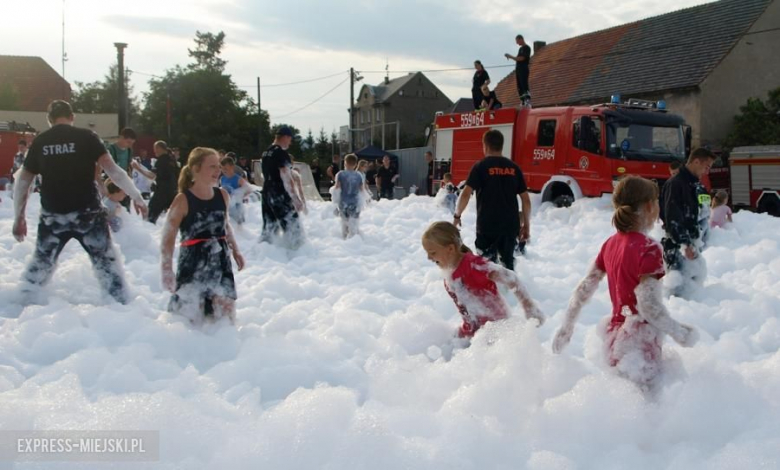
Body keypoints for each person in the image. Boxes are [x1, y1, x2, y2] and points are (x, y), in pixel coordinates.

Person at [552, 176, 698, 390]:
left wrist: (566, 327)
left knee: (623, 398)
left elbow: (583, 290)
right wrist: (680, 333)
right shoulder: (649, 248)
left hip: (614, 338)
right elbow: (648, 305)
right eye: (657, 201)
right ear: (649, 206)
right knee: (647, 403)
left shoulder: (610, 244)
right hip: (640, 342)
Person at [12, 100, 148, 304]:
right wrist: (136, 196)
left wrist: (19, 217)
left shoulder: (41, 141)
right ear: (72, 117)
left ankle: (21, 307)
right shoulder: (87, 137)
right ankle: (121, 309)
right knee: (107, 266)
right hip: (88, 214)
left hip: (53, 216)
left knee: (40, 267)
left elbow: (23, 182)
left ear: (49, 120)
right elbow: (113, 171)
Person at [162, 147, 245, 323]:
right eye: (212, 166)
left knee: (225, 316)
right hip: (193, 262)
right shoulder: (183, 199)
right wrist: (167, 269)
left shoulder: (222, 195)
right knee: (191, 316)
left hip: (220, 259)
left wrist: (236, 251)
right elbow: (168, 237)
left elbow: (225, 225)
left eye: (219, 166)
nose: (218, 170)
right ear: (196, 169)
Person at [422, 221, 544, 339]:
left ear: (450, 249)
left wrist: (529, 306)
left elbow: (511, 278)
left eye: (432, 252)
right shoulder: (449, 274)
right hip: (476, 332)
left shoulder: (474, 265)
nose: (428, 258)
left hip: (498, 330)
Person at [454, 130, 531, 271]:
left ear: (486, 146)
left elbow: (465, 195)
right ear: (501, 146)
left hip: (487, 225)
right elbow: (526, 200)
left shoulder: (480, 167)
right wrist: (526, 225)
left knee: (486, 268)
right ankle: (509, 284)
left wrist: (457, 216)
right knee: (507, 267)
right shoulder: (514, 168)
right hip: (510, 226)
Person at [661, 148, 716, 297]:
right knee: (678, 292)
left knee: (692, 288)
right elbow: (672, 219)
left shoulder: (693, 185)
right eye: (707, 166)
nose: (707, 171)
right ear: (696, 161)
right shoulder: (676, 184)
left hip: (690, 243)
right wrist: (684, 243)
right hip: (677, 247)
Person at [260, 126, 305, 248]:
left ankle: (265, 252)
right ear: (285, 137)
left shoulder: (266, 153)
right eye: (290, 139)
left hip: (266, 191)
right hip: (278, 192)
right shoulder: (281, 153)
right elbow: (286, 177)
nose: (290, 143)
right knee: (292, 226)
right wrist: (295, 198)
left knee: (269, 227)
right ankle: (297, 253)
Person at [131, 140, 180, 224]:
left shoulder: (161, 160)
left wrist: (138, 168)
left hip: (162, 192)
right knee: (174, 218)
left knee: (150, 216)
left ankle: (148, 230)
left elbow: (152, 175)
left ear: (159, 148)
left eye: (155, 148)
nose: (154, 151)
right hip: (173, 191)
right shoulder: (172, 160)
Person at [333, 154, 364, 239]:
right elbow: (362, 190)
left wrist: (334, 201)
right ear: (355, 164)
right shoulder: (359, 175)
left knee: (344, 223)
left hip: (343, 202)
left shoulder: (340, 174)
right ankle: (354, 240)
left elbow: (337, 188)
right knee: (354, 224)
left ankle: (345, 240)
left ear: (345, 163)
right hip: (355, 202)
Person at [219, 156, 249, 225]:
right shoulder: (222, 178)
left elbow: (248, 190)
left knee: (239, 225)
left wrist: (240, 195)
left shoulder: (239, 179)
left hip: (238, 207)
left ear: (232, 167)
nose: (224, 170)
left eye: (226, 168)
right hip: (228, 206)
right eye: (222, 168)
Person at [504, 34, 532, 106]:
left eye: (517, 41)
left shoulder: (527, 48)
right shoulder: (520, 49)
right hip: (518, 69)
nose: (517, 43)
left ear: (521, 39)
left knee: (524, 84)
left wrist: (511, 56)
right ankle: (522, 100)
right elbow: (517, 58)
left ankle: (527, 100)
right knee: (519, 86)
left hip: (523, 68)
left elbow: (521, 58)